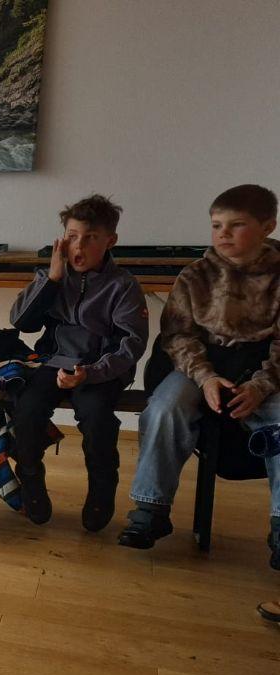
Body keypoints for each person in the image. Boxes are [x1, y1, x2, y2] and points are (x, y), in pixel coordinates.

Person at [122, 184, 280, 563]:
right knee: (165, 409)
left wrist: (261, 386)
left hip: (264, 371)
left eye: (236, 225)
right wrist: (205, 377)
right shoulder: (195, 276)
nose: (223, 234)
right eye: (216, 225)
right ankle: (150, 509)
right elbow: (178, 336)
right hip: (200, 367)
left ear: (267, 227)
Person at [8, 195, 147, 532]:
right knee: (26, 410)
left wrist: (91, 373)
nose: (79, 246)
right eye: (72, 236)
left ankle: (101, 487)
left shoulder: (123, 286)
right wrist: (52, 280)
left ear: (110, 241)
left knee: (97, 418)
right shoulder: (52, 276)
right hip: (53, 363)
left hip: (99, 369)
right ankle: (30, 477)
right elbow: (21, 322)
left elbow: (131, 345)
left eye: (90, 237)